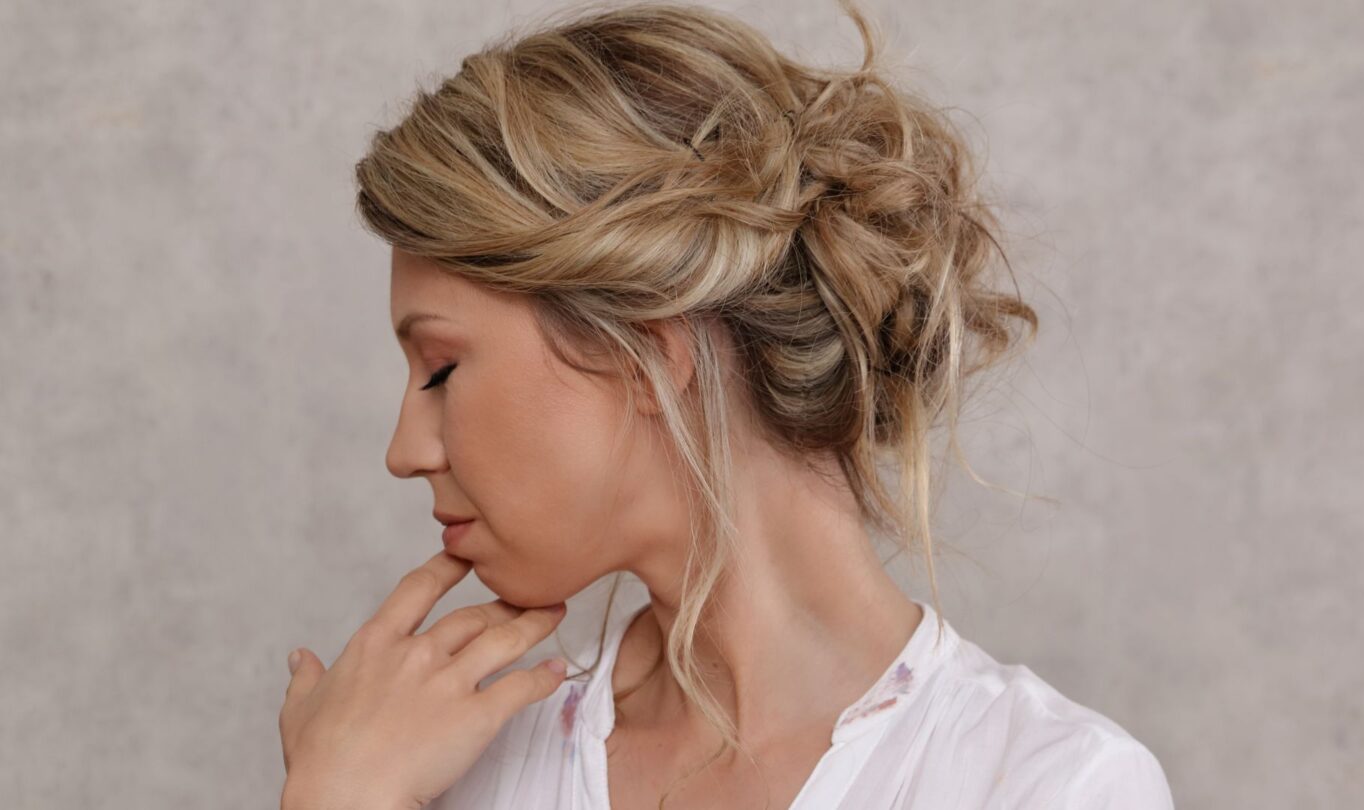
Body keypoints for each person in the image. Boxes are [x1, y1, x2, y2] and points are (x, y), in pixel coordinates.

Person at [278, 1, 1176, 808]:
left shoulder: (1052, 787)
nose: (405, 450)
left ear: (644, 357)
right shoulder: (443, 766)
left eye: (440, 370)